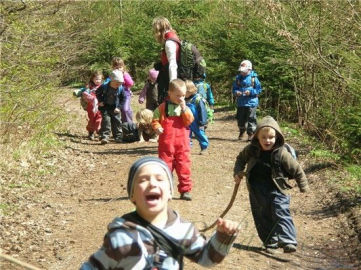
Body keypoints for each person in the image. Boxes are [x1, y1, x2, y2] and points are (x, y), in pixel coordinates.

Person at [79, 156, 239, 270]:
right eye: (142, 180)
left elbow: (207, 259)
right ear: (132, 195)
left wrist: (223, 238)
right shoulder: (121, 236)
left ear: (170, 192)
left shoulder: (183, 230)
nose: (152, 183)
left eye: (160, 179)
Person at [233, 115, 310, 254]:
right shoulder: (251, 149)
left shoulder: (282, 153)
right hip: (257, 188)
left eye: (271, 137)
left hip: (278, 189)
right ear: (257, 137)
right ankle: (270, 241)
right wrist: (238, 172)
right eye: (264, 137)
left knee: (280, 211)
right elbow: (240, 159)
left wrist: (303, 186)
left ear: (277, 137)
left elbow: (297, 170)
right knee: (261, 215)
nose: (267, 140)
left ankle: (288, 240)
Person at [151, 79, 194, 201]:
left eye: (183, 96)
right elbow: (154, 120)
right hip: (166, 145)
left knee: (184, 167)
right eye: (178, 95)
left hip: (182, 144)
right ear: (170, 93)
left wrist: (184, 108)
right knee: (165, 168)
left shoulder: (185, 107)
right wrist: (157, 127)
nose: (181, 98)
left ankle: (185, 190)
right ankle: (166, 190)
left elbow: (190, 121)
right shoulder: (162, 108)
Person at [232, 60, 262, 141]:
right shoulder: (238, 78)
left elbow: (259, 90)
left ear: (249, 69)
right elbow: (234, 89)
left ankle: (251, 134)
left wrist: (251, 92)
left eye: (244, 71)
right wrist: (236, 92)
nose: (242, 73)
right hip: (241, 102)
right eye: (241, 71)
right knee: (240, 119)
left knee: (251, 118)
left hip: (252, 102)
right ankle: (242, 131)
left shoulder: (254, 78)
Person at [152, 17, 180, 104]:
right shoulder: (174, 37)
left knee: (166, 105)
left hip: (168, 79)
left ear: (158, 29)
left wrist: (172, 85)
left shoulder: (169, 42)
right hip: (167, 76)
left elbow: (173, 64)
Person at [96, 70, 125, 144]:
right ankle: (105, 136)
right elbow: (97, 93)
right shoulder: (104, 86)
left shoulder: (120, 88)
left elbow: (123, 98)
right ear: (111, 81)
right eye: (116, 83)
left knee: (117, 121)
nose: (117, 85)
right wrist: (100, 101)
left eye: (119, 84)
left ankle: (118, 136)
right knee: (106, 121)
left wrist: (119, 107)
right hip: (105, 107)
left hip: (115, 108)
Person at [73, 71, 103, 140]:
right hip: (91, 106)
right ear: (92, 79)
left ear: (102, 79)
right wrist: (92, 98)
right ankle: (91, 132)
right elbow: (85, 94)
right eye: (96, 79)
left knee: (100, 118)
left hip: (100, 105)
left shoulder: (103, 86)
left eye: (99, 79)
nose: (98, 81)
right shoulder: (89, 87)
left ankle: (99, 131)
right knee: (92, 118)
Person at [185, 80, 209, 155]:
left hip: (197, 122)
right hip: (187, 121)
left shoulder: (198, 99)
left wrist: (203, 121)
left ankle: (204, 148)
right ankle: (187, 149)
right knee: (186, 135)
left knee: (200, 135)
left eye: (184, 92)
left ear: (189, 91)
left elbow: (202, 111)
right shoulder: (184, 100)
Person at [110, 57, 135, 123]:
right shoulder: (113, 74)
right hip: (116, 95)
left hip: (126, 94)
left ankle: (129, 123)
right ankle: (123, 124)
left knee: (125, 109)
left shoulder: (125, 74)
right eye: (116, 67)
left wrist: (124, 75)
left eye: (120, 67)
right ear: (113, 67)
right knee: (118, 110)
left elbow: (131, 83)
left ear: (123, 67)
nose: (118, 69)